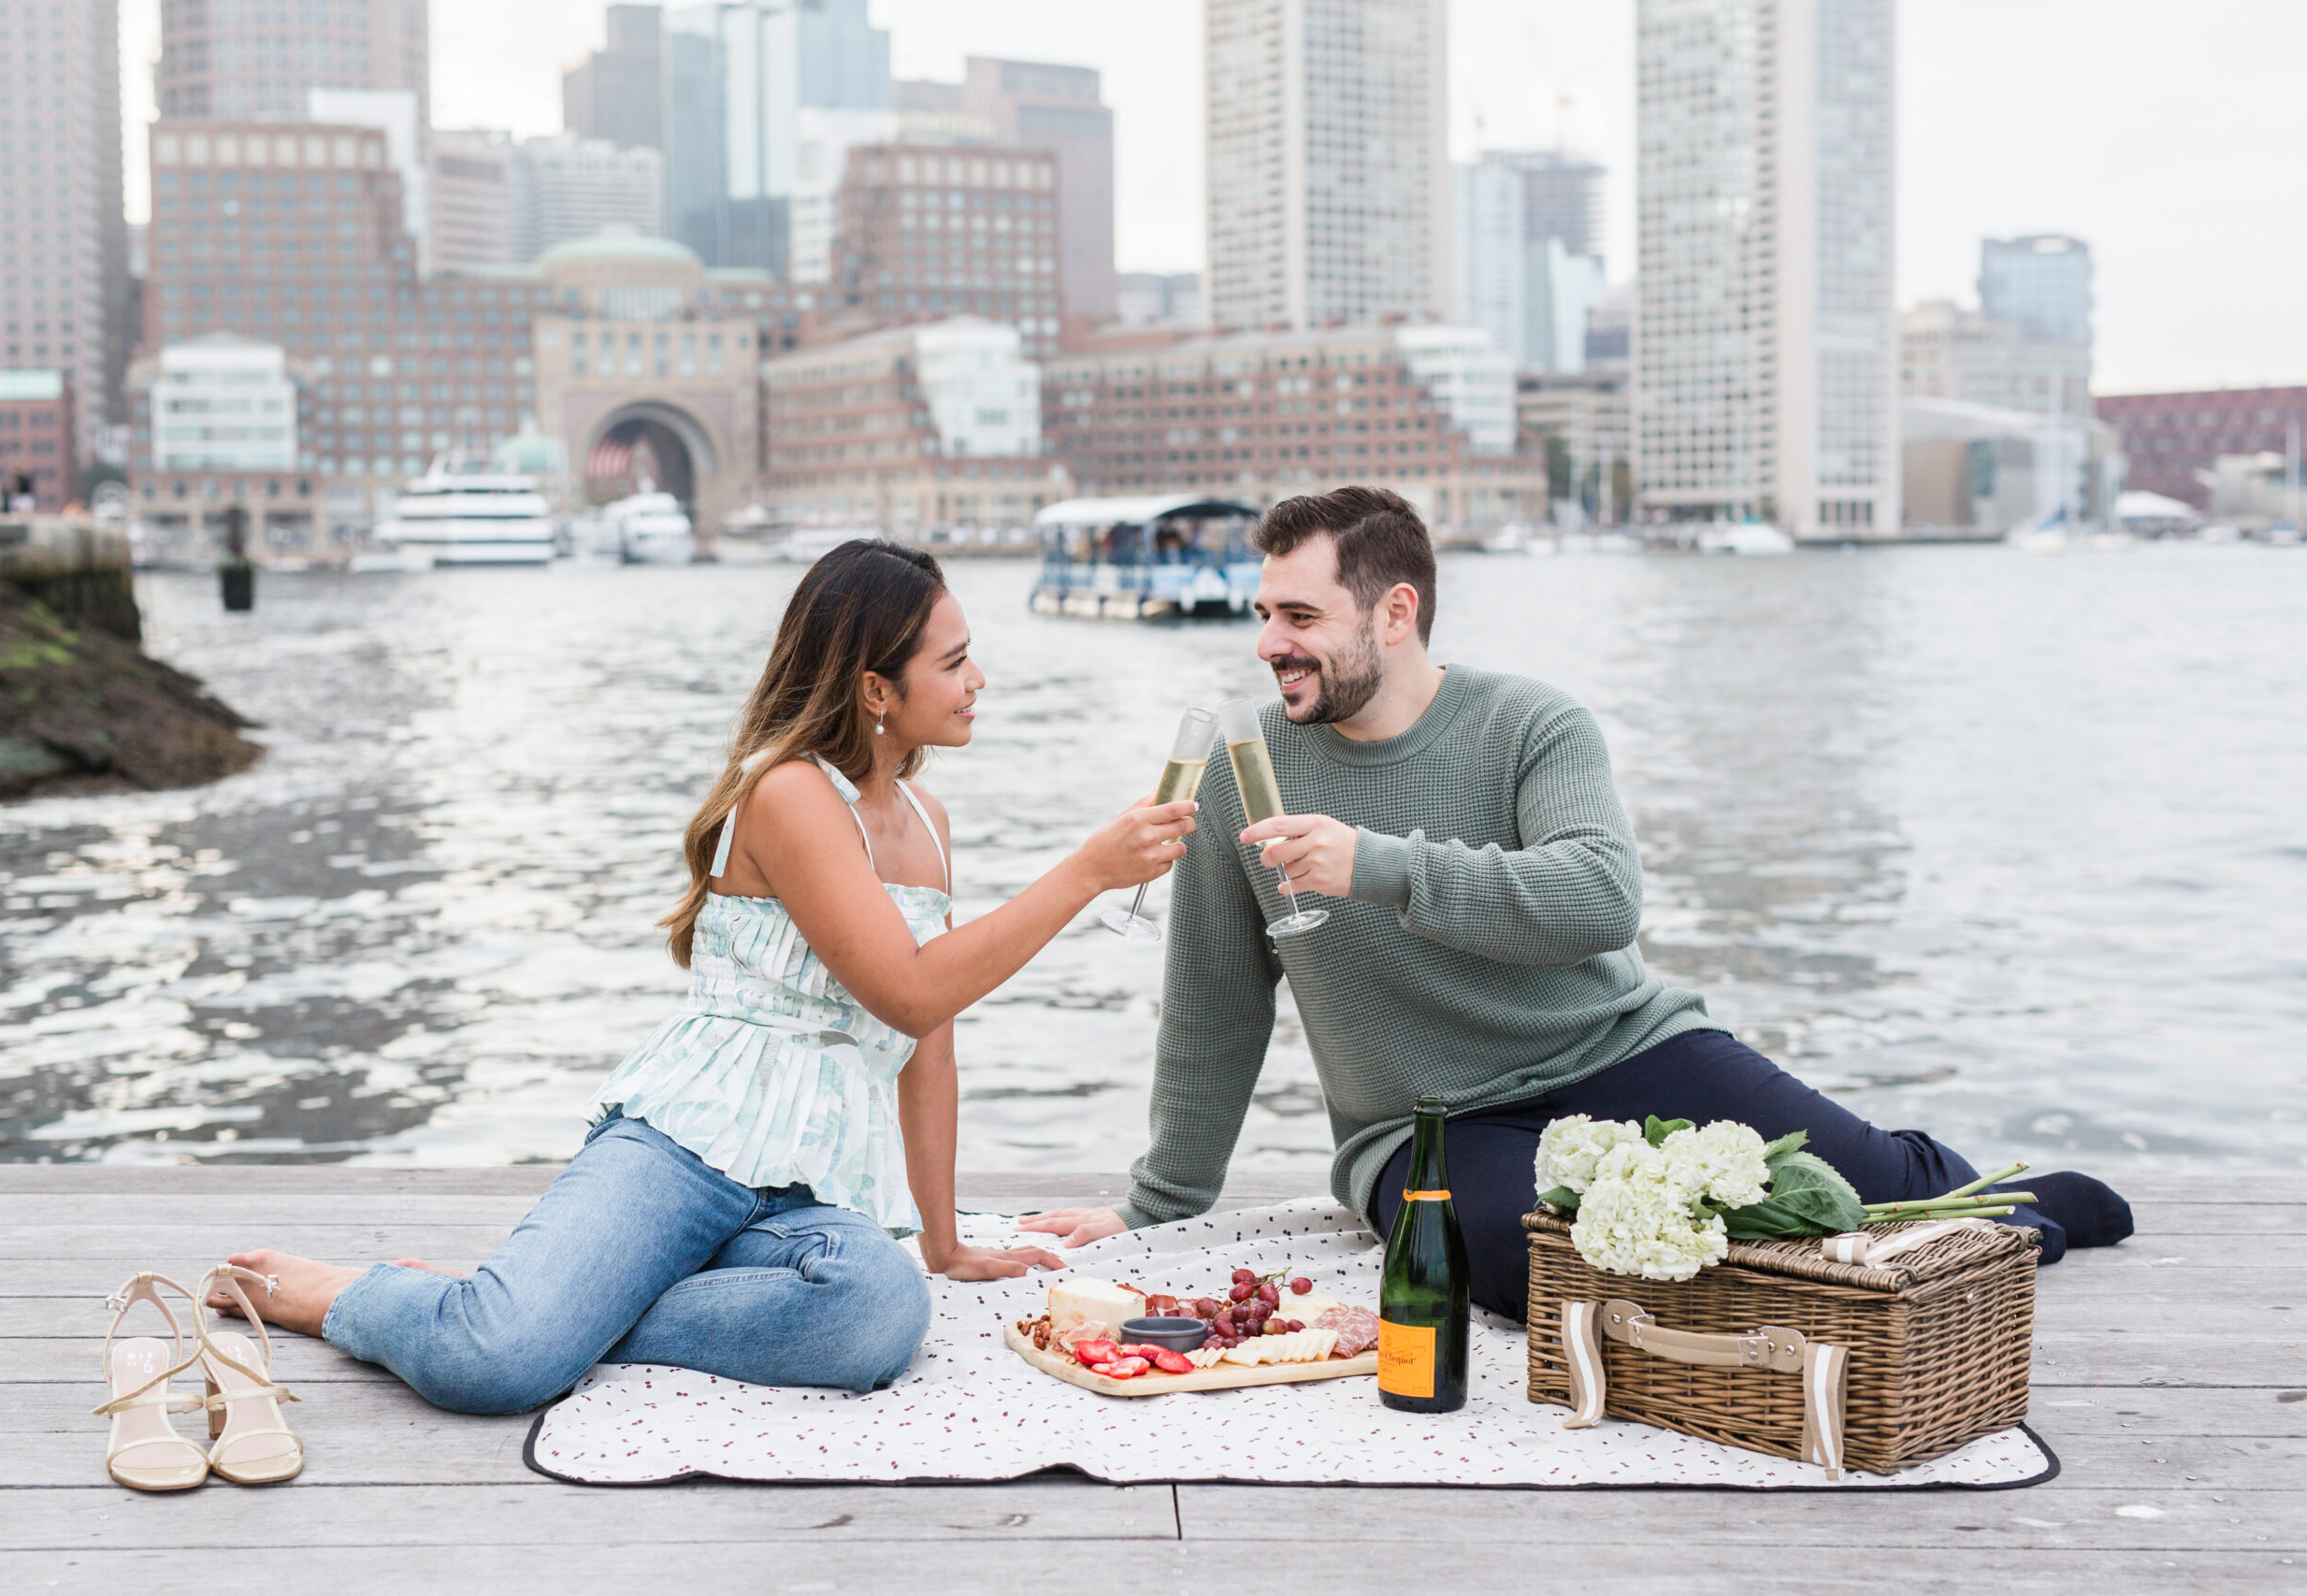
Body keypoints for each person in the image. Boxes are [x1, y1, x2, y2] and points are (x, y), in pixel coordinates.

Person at [1021, 487, 2131, 1316]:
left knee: (1870, 1188)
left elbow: (1601, 899)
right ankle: (1807, 1270)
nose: (1269, 643)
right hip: (1430, 1127)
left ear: (1394, 611)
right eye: (1265, 614)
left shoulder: (1531, 725)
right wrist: (1155, 1203)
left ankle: (1971, 1201)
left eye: (1300, 616)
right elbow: (1215, 1004)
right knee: (1524, 1266)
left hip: (1621, 1050)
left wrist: (1380, 865)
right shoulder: (1239, 764)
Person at [213, 542, 1194, 1412]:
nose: (978, 679)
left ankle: (562, 1303)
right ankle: (375, 1297)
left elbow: (924, 1039)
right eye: (952, 661)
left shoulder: (928, 821)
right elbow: (909, 988)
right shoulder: (788, 792)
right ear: (874, 689)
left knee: (878, 1313)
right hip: (690, 1147)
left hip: (814, 1185)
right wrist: (1085, 874)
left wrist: (941, 1243)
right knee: (497, 1364)